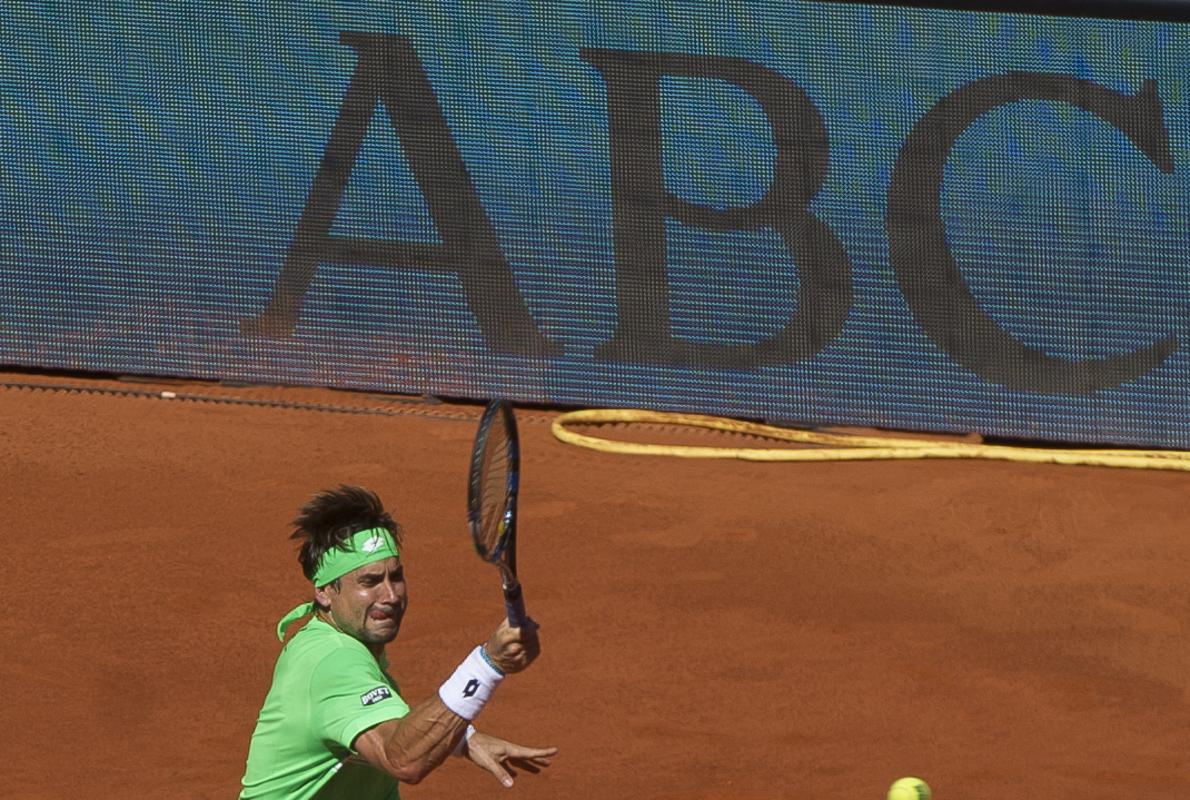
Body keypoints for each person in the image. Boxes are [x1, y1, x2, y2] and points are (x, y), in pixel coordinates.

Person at [240, 485, 556, 799]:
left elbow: (382, 728)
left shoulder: (334, 641)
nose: (390, 595)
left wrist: (463, 738)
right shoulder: (334, 662)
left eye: (396, 577)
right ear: (324, 591)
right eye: (370, 581)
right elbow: (402, 758)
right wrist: (488, 664)